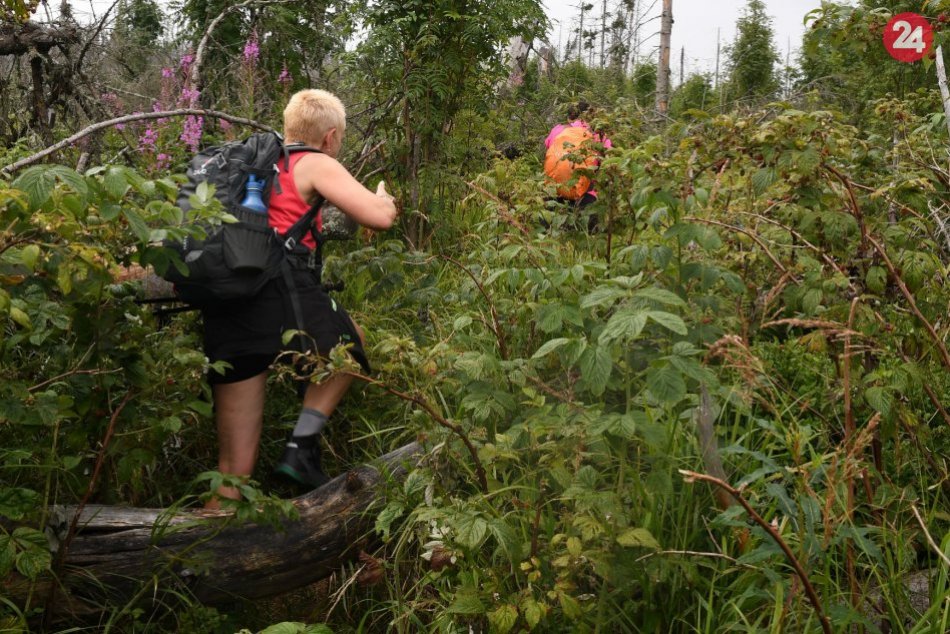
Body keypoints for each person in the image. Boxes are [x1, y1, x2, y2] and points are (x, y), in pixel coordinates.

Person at [202, 89, 398, 507]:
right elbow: (378, 218)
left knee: (233, 467)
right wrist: (384, 199)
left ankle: (201, 555)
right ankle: (301, 447)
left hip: (228, 303)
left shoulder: (251, 165)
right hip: (281, 296)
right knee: (349, 349)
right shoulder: (314, 162)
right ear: (329, 138)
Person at [543, 101, 612, 230]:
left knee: (549, 234)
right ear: (591, 116)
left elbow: (548, 148)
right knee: (589, 238)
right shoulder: (599, 134)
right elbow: (609, 160)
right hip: (585, 196)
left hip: (555, 191)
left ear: (569, 117)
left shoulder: (558, 130)